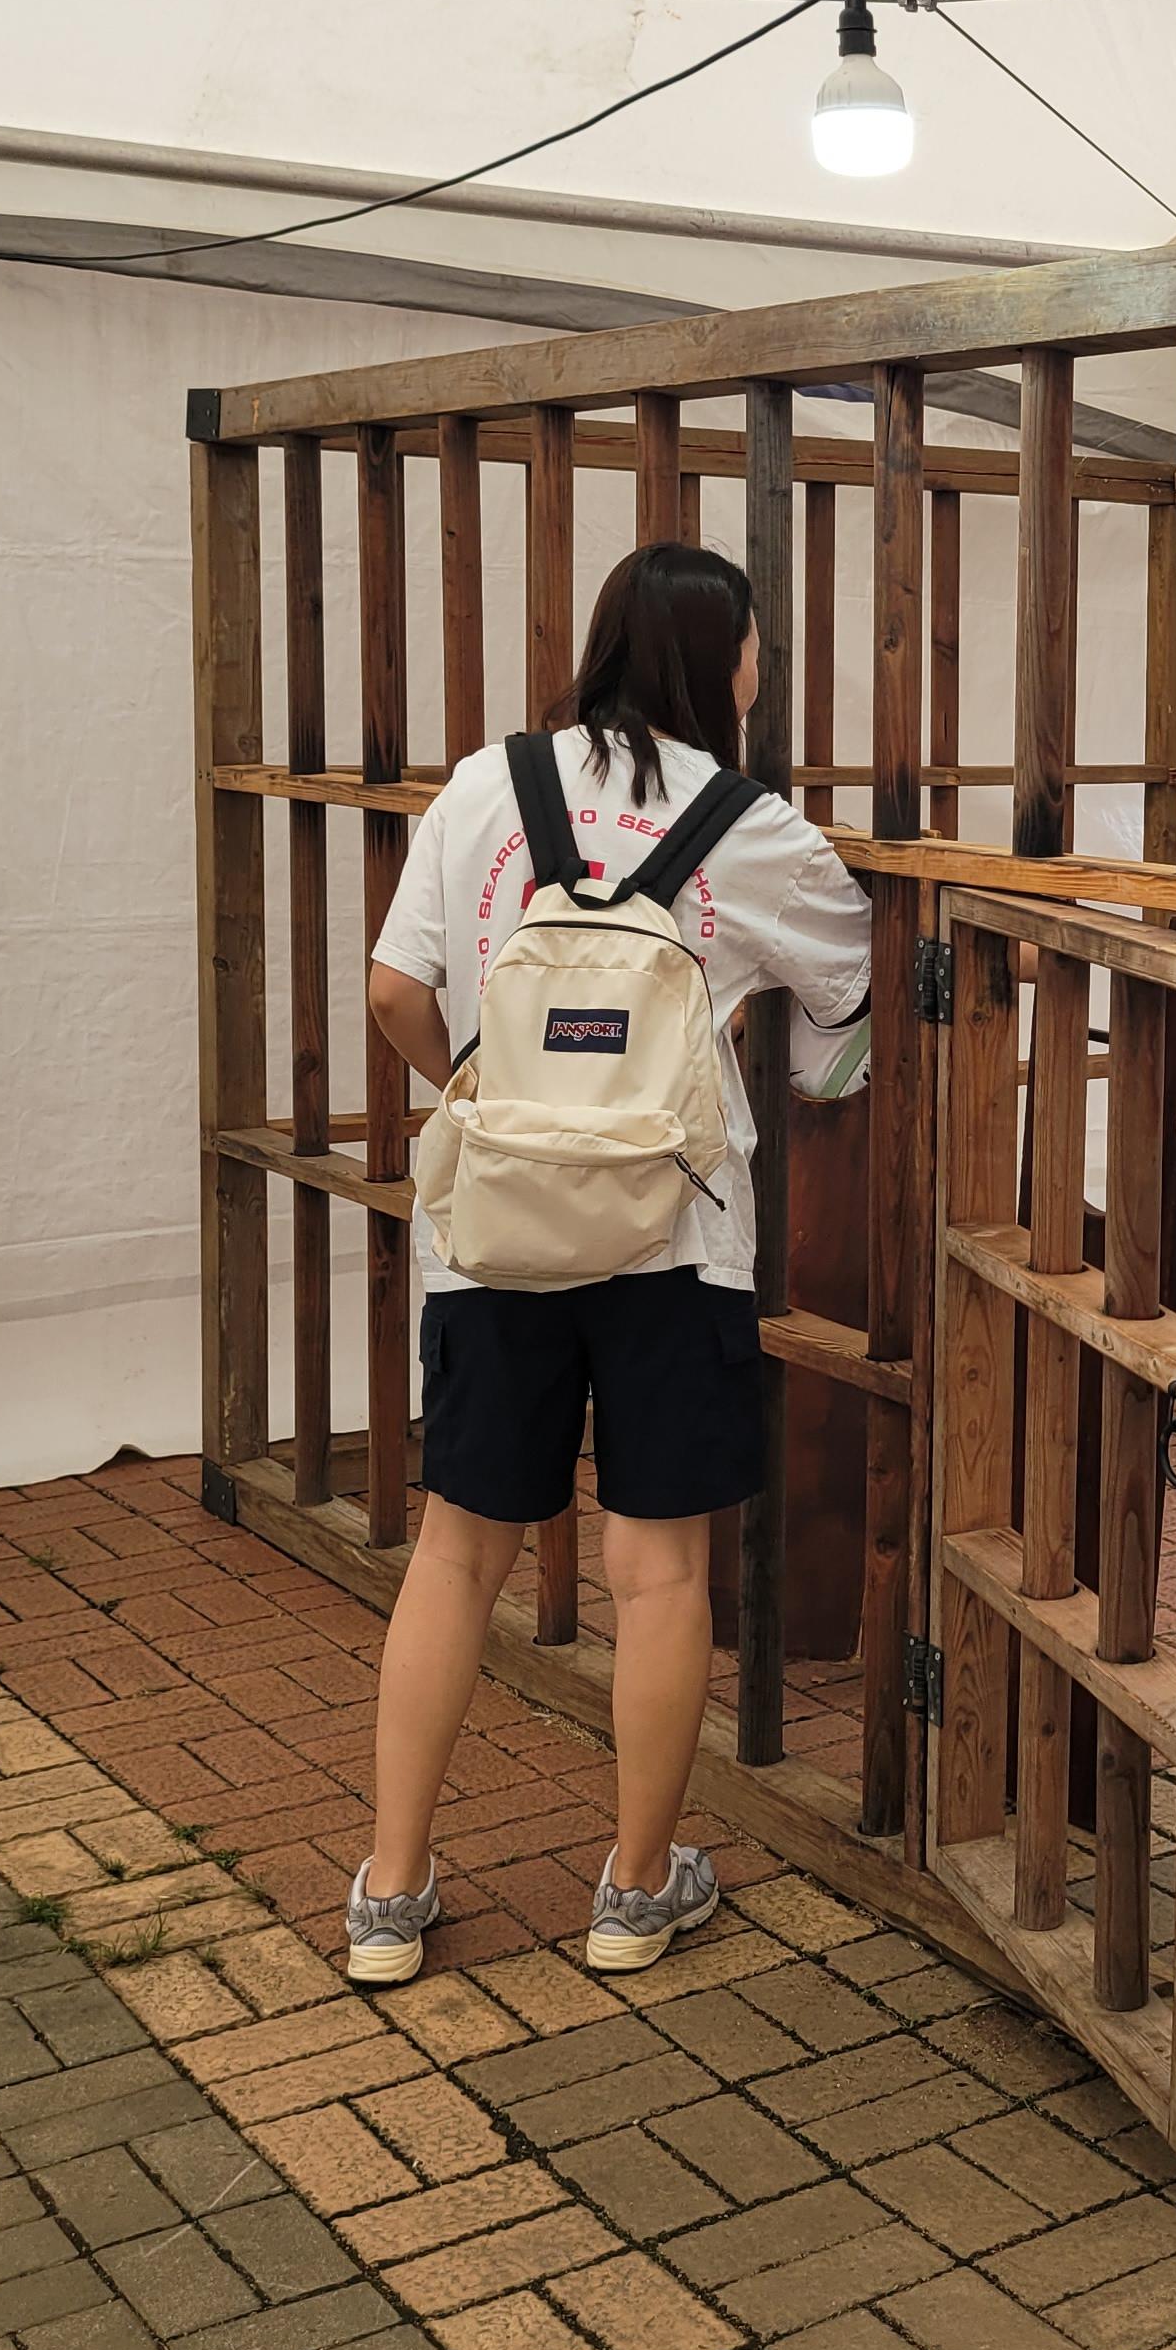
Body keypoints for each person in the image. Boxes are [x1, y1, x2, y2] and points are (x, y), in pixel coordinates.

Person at [350, 542, 871, 1982]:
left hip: (494, 1236)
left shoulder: (483, 786)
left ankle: (391, 1891)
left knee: (458, 1552)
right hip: (674, 1236)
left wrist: (483, 1097)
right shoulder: (757, 833)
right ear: (726, 662)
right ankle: (637, 1892)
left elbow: (392, 991)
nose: (759, 673)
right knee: (657, 1571)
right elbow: (838, 1042)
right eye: (756, 649)